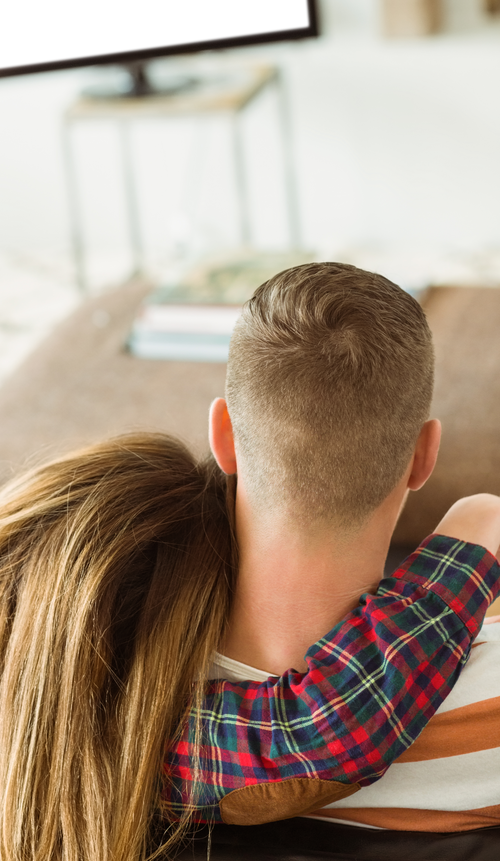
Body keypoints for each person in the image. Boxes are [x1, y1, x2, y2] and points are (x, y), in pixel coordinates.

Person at [0, 264, 498, 861]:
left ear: (223, 434)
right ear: (422, 457)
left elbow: (311, 731)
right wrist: (468, 539)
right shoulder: (460, 705)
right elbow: (315, 732)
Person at [203, 261, 500, 831]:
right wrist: (476, 520)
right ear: (423, 457)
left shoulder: (113, 677)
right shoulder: (479, 712)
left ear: (223, 436)